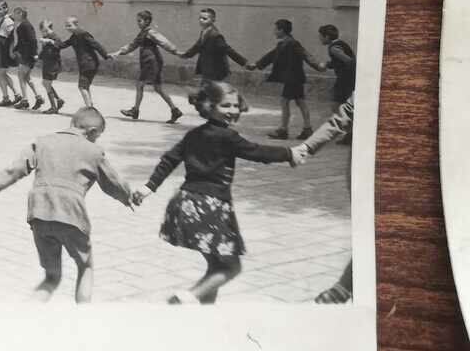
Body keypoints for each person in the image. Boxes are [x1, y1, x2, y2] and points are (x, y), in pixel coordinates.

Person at [132, 81, 308, 304]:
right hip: (211, 207)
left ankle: (208, 315)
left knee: (216, 266)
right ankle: (186, 298)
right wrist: (289, 153)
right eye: (225, 106)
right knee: (232, 268)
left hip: (186, 203)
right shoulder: (228, 137)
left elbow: (170, 159)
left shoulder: (194, 134)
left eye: (235, 105)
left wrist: (149, 187)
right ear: (209, 106)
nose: (232, 111)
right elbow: (257, 152)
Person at [0, 106, 133, 302]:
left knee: (52, 277)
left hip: (39, 214)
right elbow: (113, 183)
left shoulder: (42, 142)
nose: (96, 140)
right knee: (85, 266)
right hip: (71, 215)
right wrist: (128, 197)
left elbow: (15, 170)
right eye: (97, 136)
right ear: (92, 132)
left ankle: (25, 315)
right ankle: (82, 320)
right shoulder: (93, 151)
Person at [299, 99, 355, 302]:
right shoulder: (370, 84)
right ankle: (344, 287)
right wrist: (306, 147)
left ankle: (343, 288)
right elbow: (341, 118)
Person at [248, 18, 326, 140]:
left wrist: (318, 66)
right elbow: (271, 56)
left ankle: (284, 130)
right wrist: (256, 64)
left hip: (293, 78)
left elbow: (306, 55)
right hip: (295, 78)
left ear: (282, 30)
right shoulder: (285, 43)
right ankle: (307, 128)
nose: (274, 32)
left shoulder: (292, 43)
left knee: (285, 102)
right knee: (300, 102)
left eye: (276, 29)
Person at [111, 10, 183, 123]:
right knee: (158, 88)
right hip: (150, 62)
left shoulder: (150, 32)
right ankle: (175, 110)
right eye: (137, 21)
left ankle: (135, 110)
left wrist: (176, 51)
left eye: (140, 21)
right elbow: (132, 45)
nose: (138, 23)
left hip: (151, 62)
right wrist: (117, 52)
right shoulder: (143, 33)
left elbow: (164, 42)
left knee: (140, 84)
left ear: (147, 21)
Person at [178, 7, 248, 83]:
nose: (201, 20)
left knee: (210, 91)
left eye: (205, 19)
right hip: (207, 69)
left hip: (215, 70)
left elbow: (228, 50)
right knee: (207, 91)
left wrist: (244, 62)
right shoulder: (204, 32)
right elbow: (197, 46)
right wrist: (186, 55)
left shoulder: (215, 35)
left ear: (213, 20)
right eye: (200, 18)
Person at [57, 15, 111, 109]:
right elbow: (63, 45)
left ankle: (89, 109)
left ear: (76, 24)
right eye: (66, 25)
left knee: (82, 87)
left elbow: (96, 45)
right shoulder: (74, 36)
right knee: (85, 86)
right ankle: (90, 106)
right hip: (85, 64)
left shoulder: (83, 34)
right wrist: (51, 41)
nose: (67, 28)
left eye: (69, 25)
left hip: (89, 64)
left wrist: (106, 55)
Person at [318, 24, 356, 139]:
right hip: (348, 79)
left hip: (345, 80)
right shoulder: (339, 44)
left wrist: (327, 64)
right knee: (344, 106)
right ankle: (349, 134)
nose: (319, 39)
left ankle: (349, 134)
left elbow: (348, 61)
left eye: (321, 36)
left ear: (327, 37)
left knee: (336, 106)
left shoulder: (334, 48)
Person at [10, 6, 44, 111]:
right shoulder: (23, 25)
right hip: (26, 54)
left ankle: (25, 100)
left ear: (20, 14)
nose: (13, 15)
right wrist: (15, 50)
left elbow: (33, 40)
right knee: (27, 77)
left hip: (28, 55)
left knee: (21, 76)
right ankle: (38, 97)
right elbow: (21, 41)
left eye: (15, 13)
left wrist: (34, 54)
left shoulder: (25, 25)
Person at [35, 20, 65, 114]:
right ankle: (59, 100)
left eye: (46, 30)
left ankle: (53, 107)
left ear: (50, 27)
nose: (44, 33)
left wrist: (50, 41)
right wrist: (39, 57)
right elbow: (45, 50)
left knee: (46, 83)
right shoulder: (46, 37)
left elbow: (60, 45)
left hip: (53, 63)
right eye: (43, 31)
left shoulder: (55, 36)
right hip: (47, 63)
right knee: (46, 83)